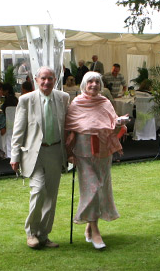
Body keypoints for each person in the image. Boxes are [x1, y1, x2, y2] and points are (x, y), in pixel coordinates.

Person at [65, 71, 128, 250]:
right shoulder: (76, 103)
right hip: (83, 153)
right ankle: (95, 230)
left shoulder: (105, 102)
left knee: (101, 188)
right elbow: (69, 128)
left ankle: (88, 226)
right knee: (92, 188)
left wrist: (118, 124)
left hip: (103, 151)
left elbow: (112, 127)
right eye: (90, 81)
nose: (94, 84)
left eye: (97, 82)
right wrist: (68, 153)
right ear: (84, 84)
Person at [10, 66, 70, 249]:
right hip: (34, 153)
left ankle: (44, 234)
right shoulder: (26, 100)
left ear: (55, 80)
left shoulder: (63, 98)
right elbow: (18, 130)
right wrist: (15, 156)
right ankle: (31, 233)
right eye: (43, 78)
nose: (46, 82)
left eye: (50, 78)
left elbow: (69, 126)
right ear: (36, 80)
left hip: (55, 151)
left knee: (51, 195)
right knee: (38, 189)